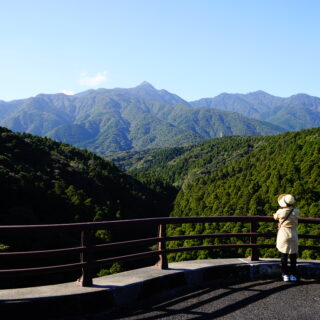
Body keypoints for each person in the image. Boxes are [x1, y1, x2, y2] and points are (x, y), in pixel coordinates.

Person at [273, 194, 300, 282]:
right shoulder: (297, 211)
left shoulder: (281, 211)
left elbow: (275, 217)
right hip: (293, 233)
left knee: (284, 255)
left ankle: (285, 275)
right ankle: (293, 275)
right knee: (293, 255)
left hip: (284, 233)